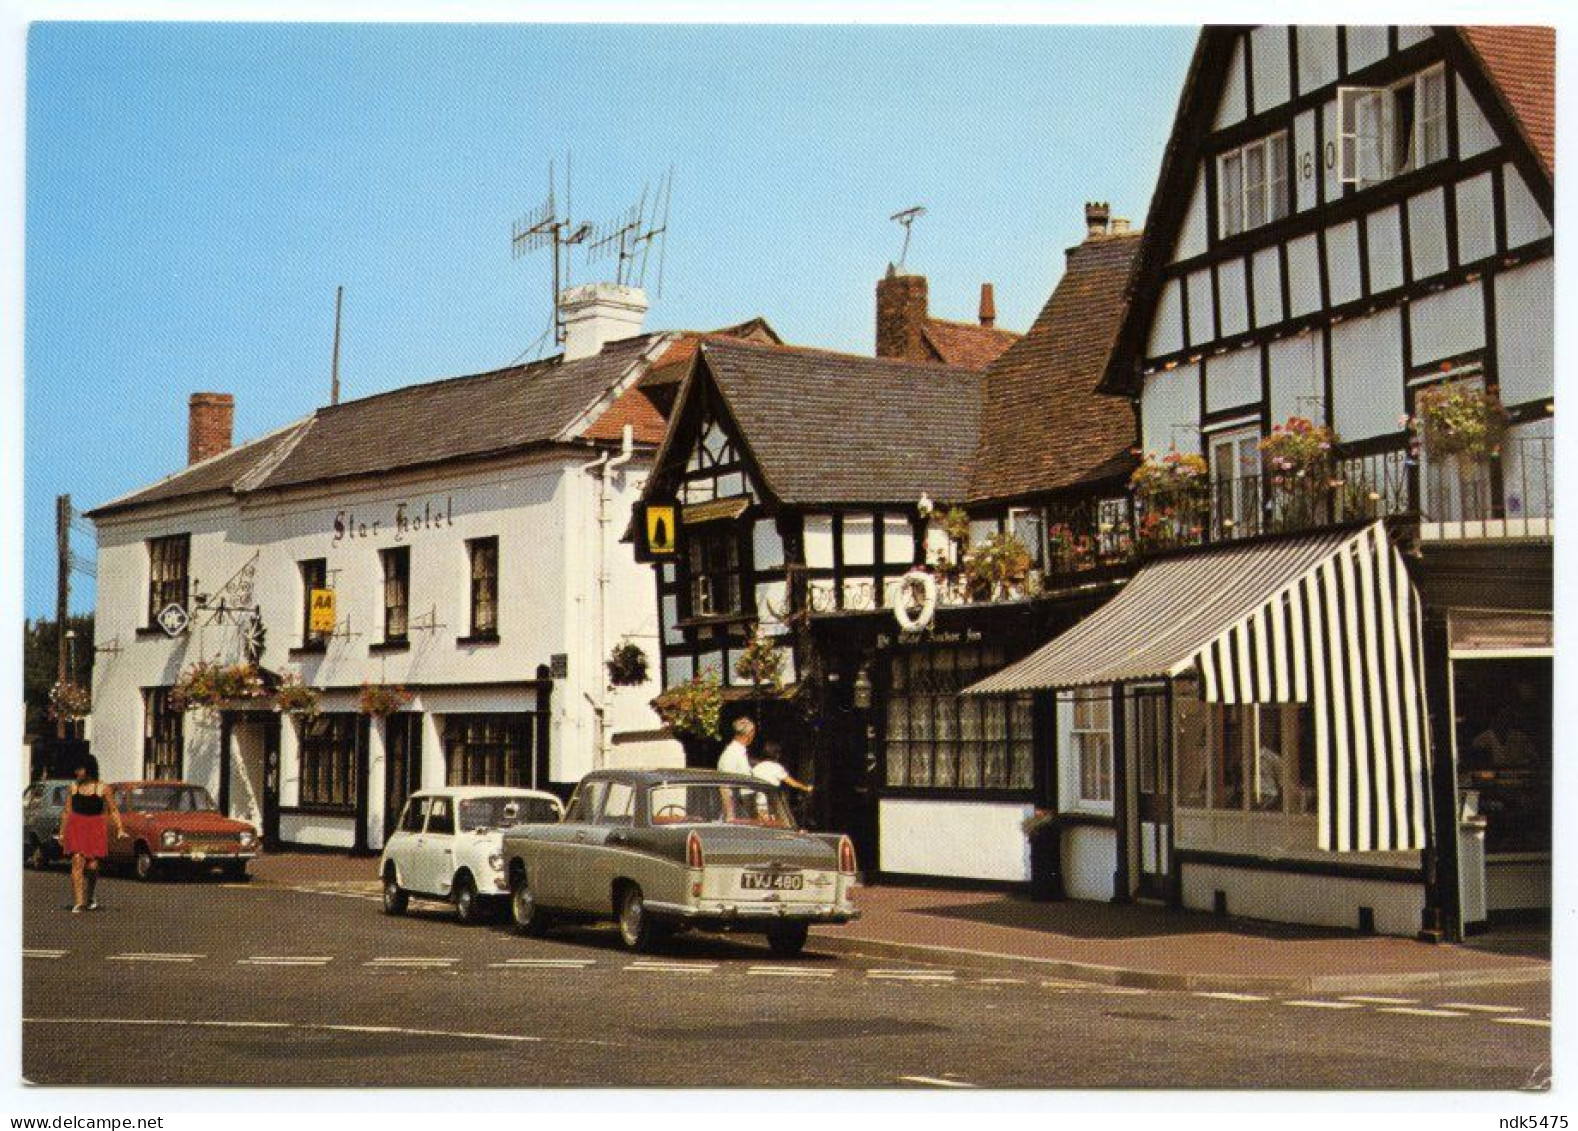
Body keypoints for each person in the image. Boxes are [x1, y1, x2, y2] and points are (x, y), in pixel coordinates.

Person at [56, 755, 124, 914]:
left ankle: (91, 895)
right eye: (77, 769)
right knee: (77, 861)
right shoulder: (73, 787)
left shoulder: (102, 788)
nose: (77, 772)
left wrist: (120, 828)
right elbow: (67, 811)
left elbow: (113, 809)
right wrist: (62, 833)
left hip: (95, 827)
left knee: (92, 866)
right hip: (76, 826)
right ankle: (78, 902)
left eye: (80, 769)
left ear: (89, 769)